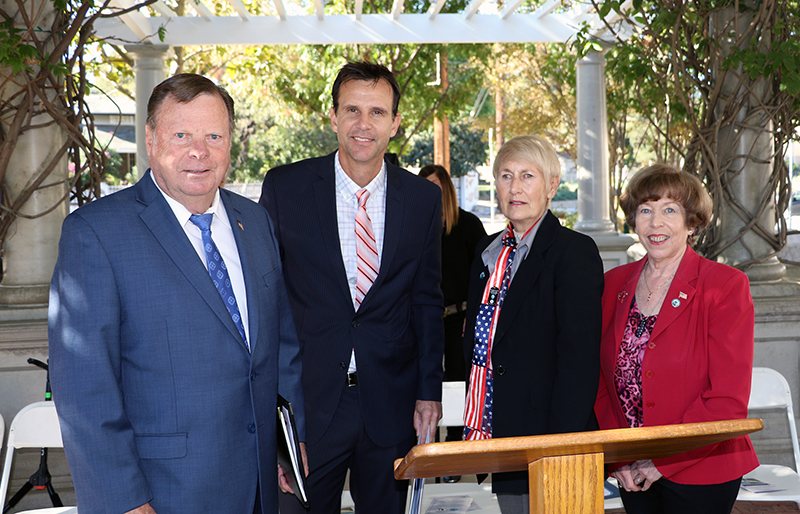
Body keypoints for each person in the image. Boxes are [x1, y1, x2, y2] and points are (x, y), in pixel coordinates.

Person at [48, 73, 305, 514]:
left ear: (229, 143)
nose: (198, 151)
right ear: (151, 140)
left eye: (213, 136)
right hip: (163, 494)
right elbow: (85, 389)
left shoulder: (255, 221)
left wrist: (288, 446)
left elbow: (281, 346)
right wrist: (122, 500)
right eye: (181, 135)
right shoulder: (96, 233)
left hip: (262, 485)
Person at [259, 61, 444, 514]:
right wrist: (276, 416)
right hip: (309, 407)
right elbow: (266, 302)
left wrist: (429, 392)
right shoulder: (286, 188)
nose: (364, 124)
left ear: (395, 123)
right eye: (352, 110)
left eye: (377, 112)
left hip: (390, 404)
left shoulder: (422, 199)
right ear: (334, 117)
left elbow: (426, 301)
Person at [594, 164, 758, 514]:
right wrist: (617, 456)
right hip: (632, 468)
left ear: (692, 223)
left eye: (670, 210)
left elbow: (727, 397)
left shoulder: (725, 286)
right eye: (645, 210)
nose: (656, 223)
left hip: (702, 468)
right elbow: (600, 382)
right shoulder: (611, 285)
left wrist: (662, 459)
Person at [462, 135, 604, 514]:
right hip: (504, 433)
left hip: (555, 440)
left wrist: (557, 446)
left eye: (528, 176)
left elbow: (579, 361)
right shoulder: (487, 252)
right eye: (506, 176)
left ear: (552, 186)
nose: (515, 188)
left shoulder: (573, 252)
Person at [418, 164, 486, 460]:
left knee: (460, 380)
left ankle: (456, 445)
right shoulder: (415, 226)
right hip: (425, 319)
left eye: (436, 186)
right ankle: (426, 443)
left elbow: (485, 276)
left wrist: (475, 317)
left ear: (447, 189)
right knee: (428, 380)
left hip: (461, 318)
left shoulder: (468, 225)